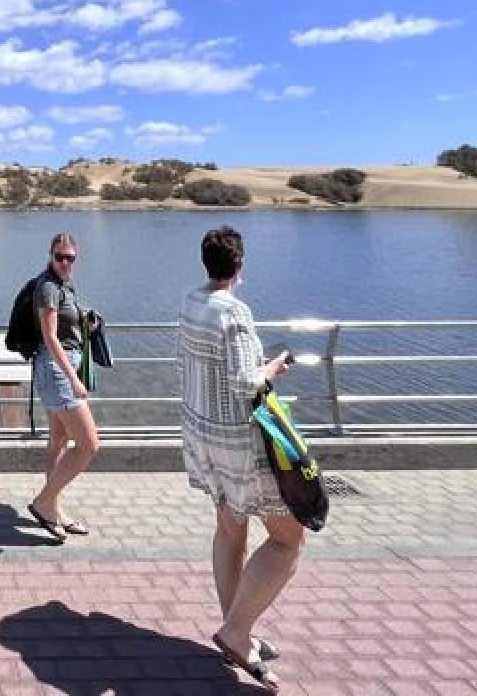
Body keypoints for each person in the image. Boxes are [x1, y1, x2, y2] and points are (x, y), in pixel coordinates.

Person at [176, 226, 302, 692]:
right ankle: (235, 629)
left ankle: (237, 631)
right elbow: (248, 383)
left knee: (230, 529)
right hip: (239, 443)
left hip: (201, 433)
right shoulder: (235, 312)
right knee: (289, 538)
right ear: (240, 266)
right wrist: (276, 366)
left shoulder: (191, 301)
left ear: (205, 261)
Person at [27, 233, 100, 543]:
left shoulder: (64, 284)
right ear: (50, 254)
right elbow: (50, 338)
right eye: (60, 257)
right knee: (89, 445)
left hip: (61, 366)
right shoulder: (47, 288)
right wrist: (73, 378)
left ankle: (53, 509)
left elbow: (66, 327)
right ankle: (44, 502)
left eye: (70, 257)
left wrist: (87, 324)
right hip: (57, 371)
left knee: (58, 439)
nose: (65, 262)